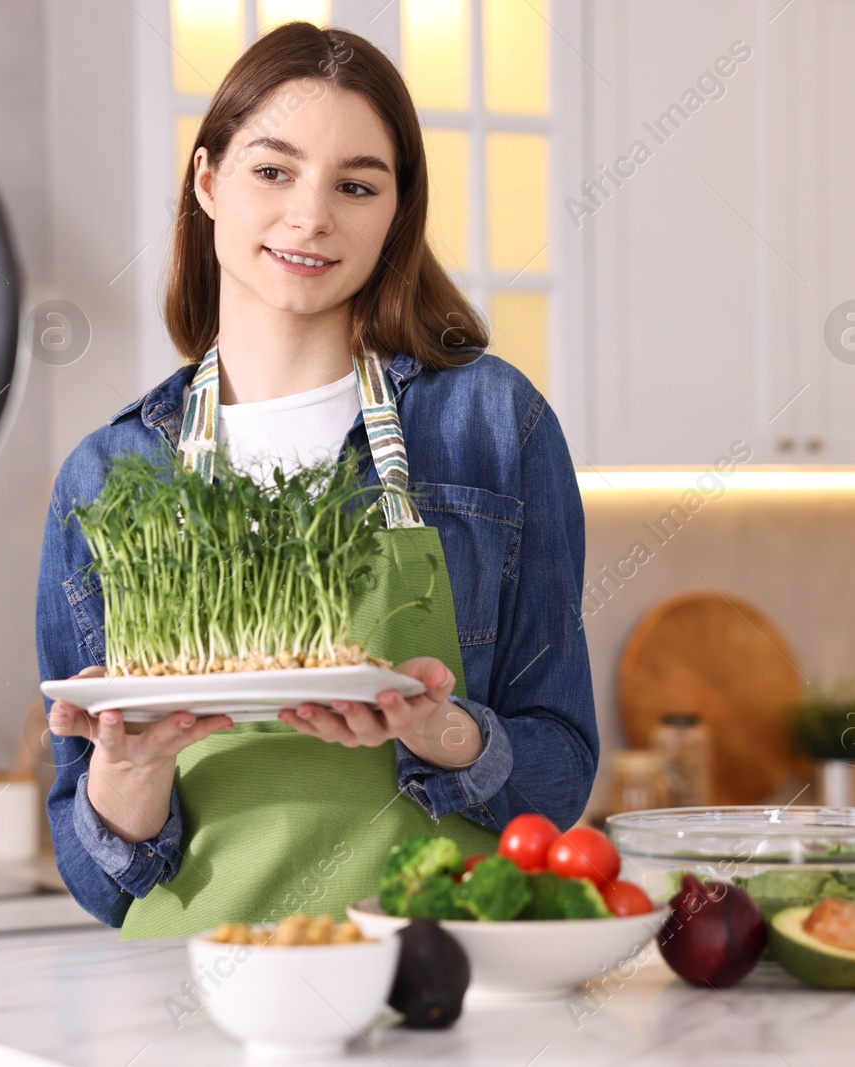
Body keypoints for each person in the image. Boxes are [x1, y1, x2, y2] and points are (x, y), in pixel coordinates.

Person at [35, 22, 596, 937]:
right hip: (192, 987)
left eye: (356, 185)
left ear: (394, 213)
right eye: (273, 170)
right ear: (207, 180)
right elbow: (100, 876)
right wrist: (127, 773)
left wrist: (438, 730)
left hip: (434, 970)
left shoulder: (493, 424)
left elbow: (561, 771)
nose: (311, 215)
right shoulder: (107, 473)